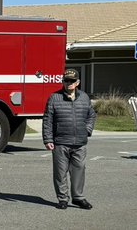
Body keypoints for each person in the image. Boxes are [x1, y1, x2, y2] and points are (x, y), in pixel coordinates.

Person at [41, 68, 96, 210]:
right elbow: (48, 119)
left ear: (77, 82)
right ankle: (63, 199)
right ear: (63, 82)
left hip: (80, 143)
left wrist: (87, 130)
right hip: (60, 142)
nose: (69, 83)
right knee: (60, 172)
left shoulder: (84, 97)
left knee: (79, 170)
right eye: (66, 80)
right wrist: (48, 140)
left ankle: (78, 197)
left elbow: (91, 115)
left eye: (72, 81)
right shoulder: (54, 98)